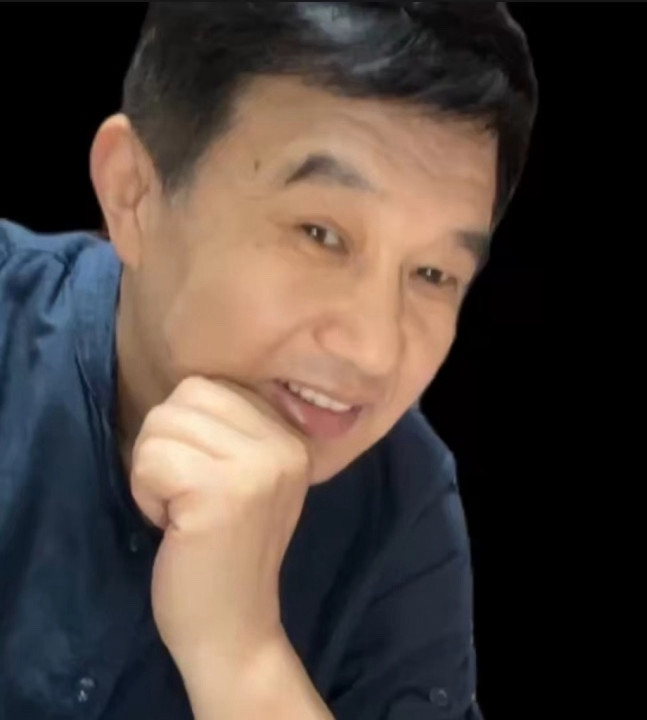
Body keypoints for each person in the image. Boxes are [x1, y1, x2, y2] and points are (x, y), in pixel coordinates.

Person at [0, 2, 537, 718]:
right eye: (320, 234)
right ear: (134, 193)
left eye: (434, 274)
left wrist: (242, 654)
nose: (375, 351)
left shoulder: (401, 511)